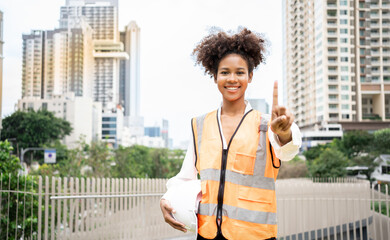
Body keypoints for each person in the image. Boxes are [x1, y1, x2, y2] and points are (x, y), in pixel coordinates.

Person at [160, 28, 302, 240]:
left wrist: (285, 133)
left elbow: (288, 151)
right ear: (215, 76)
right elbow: (185, 178)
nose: (232, 79)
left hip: (256, 236)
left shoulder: (267, 125)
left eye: (240, 72)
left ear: (250, 76)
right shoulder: (199, 125)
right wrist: (166, 199)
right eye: (225, 72)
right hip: (208, 235)